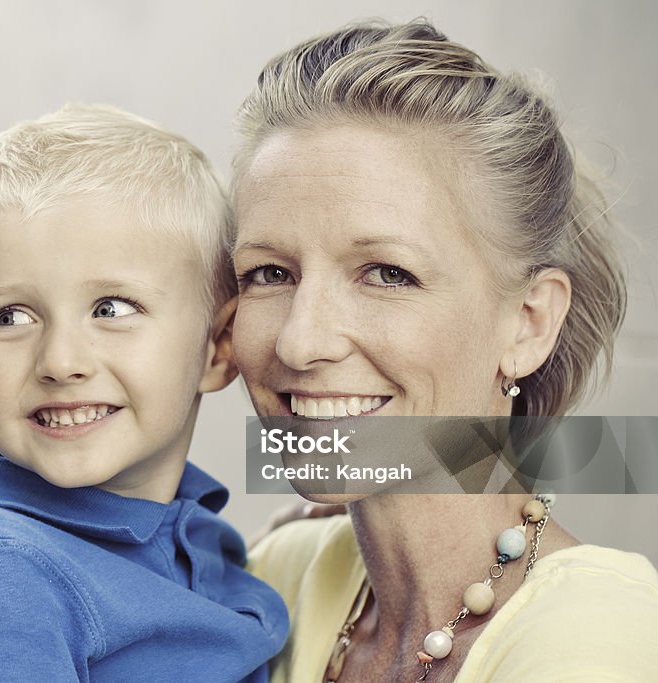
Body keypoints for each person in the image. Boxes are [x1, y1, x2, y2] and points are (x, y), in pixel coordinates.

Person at [233, 20, 658, 682]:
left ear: (527, 323)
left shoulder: (596, 637)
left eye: (387, 273)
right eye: (269, 272)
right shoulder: (276, 579)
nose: (300, 340)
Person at [0, 103, 288, 682]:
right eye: (11, 317)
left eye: (111, 308)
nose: (61, 362)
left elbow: (458, 455)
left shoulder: (210, 545)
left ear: (218, 348)